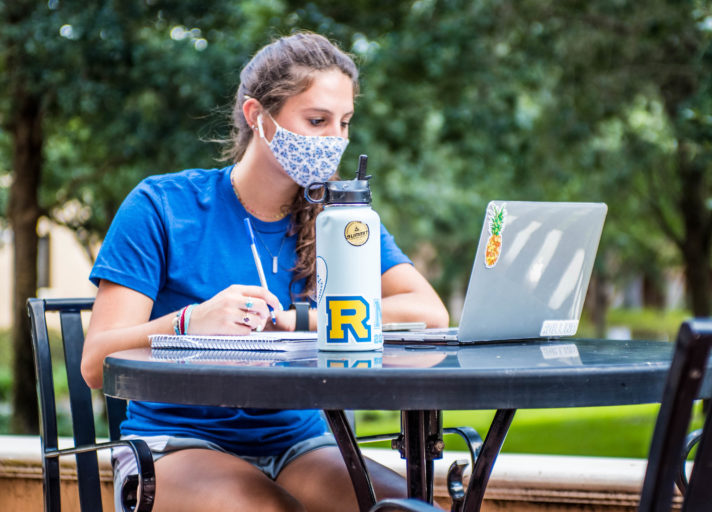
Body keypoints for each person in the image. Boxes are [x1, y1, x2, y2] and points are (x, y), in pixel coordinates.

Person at [81, 31, 449, 512]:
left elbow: (428, 313)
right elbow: (96, 364)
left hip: (303, 443)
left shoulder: (340, 220)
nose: (333, 141)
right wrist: (190, 323)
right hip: (178, 443)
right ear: (258, 117)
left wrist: (302, 319)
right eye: (316, 120)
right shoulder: (162, 206)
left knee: (411, 508)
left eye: (344, 123)